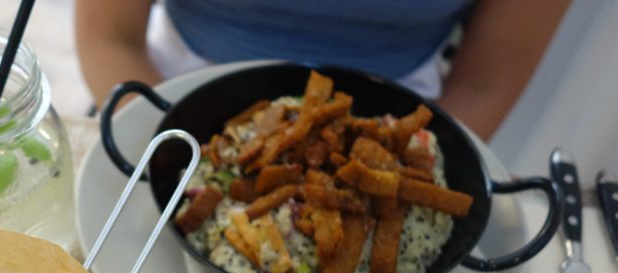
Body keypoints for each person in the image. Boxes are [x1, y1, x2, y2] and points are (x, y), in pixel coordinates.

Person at [75, 0, 569, 140]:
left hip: (402, 123)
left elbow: (486, 85)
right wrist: (173, 149)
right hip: (165, 100)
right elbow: (110, 38)